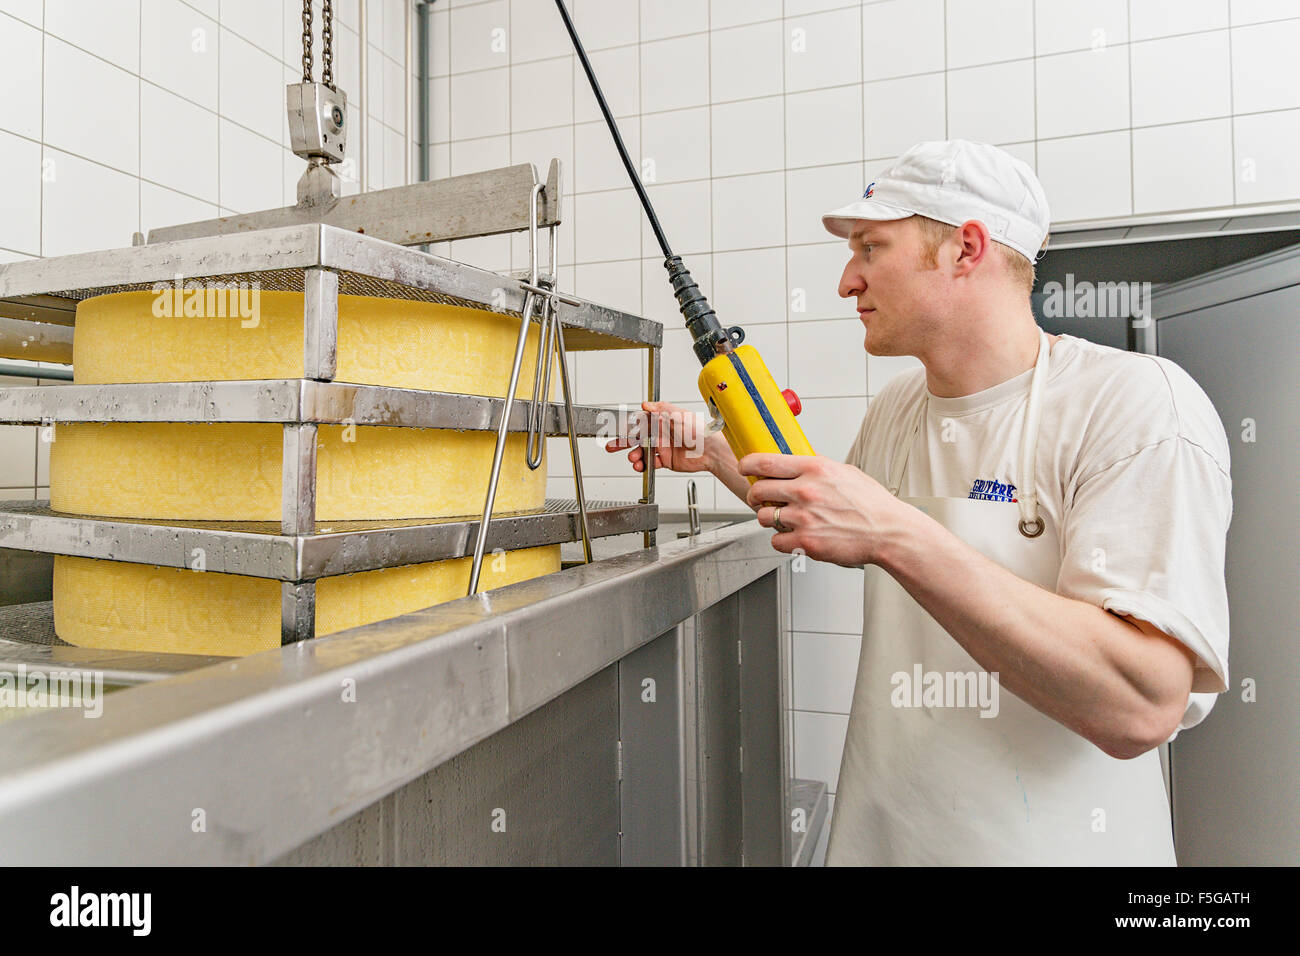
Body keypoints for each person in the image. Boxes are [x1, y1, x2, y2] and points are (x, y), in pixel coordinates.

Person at [606, 139, 1232, 865]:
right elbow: (833, 519)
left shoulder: (1133, 406)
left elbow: (1140, 703)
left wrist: (896, 534)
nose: (847, 281)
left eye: (871, 248)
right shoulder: (901, 407)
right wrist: (713, 451)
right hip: (886, 842)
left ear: (965, 248)